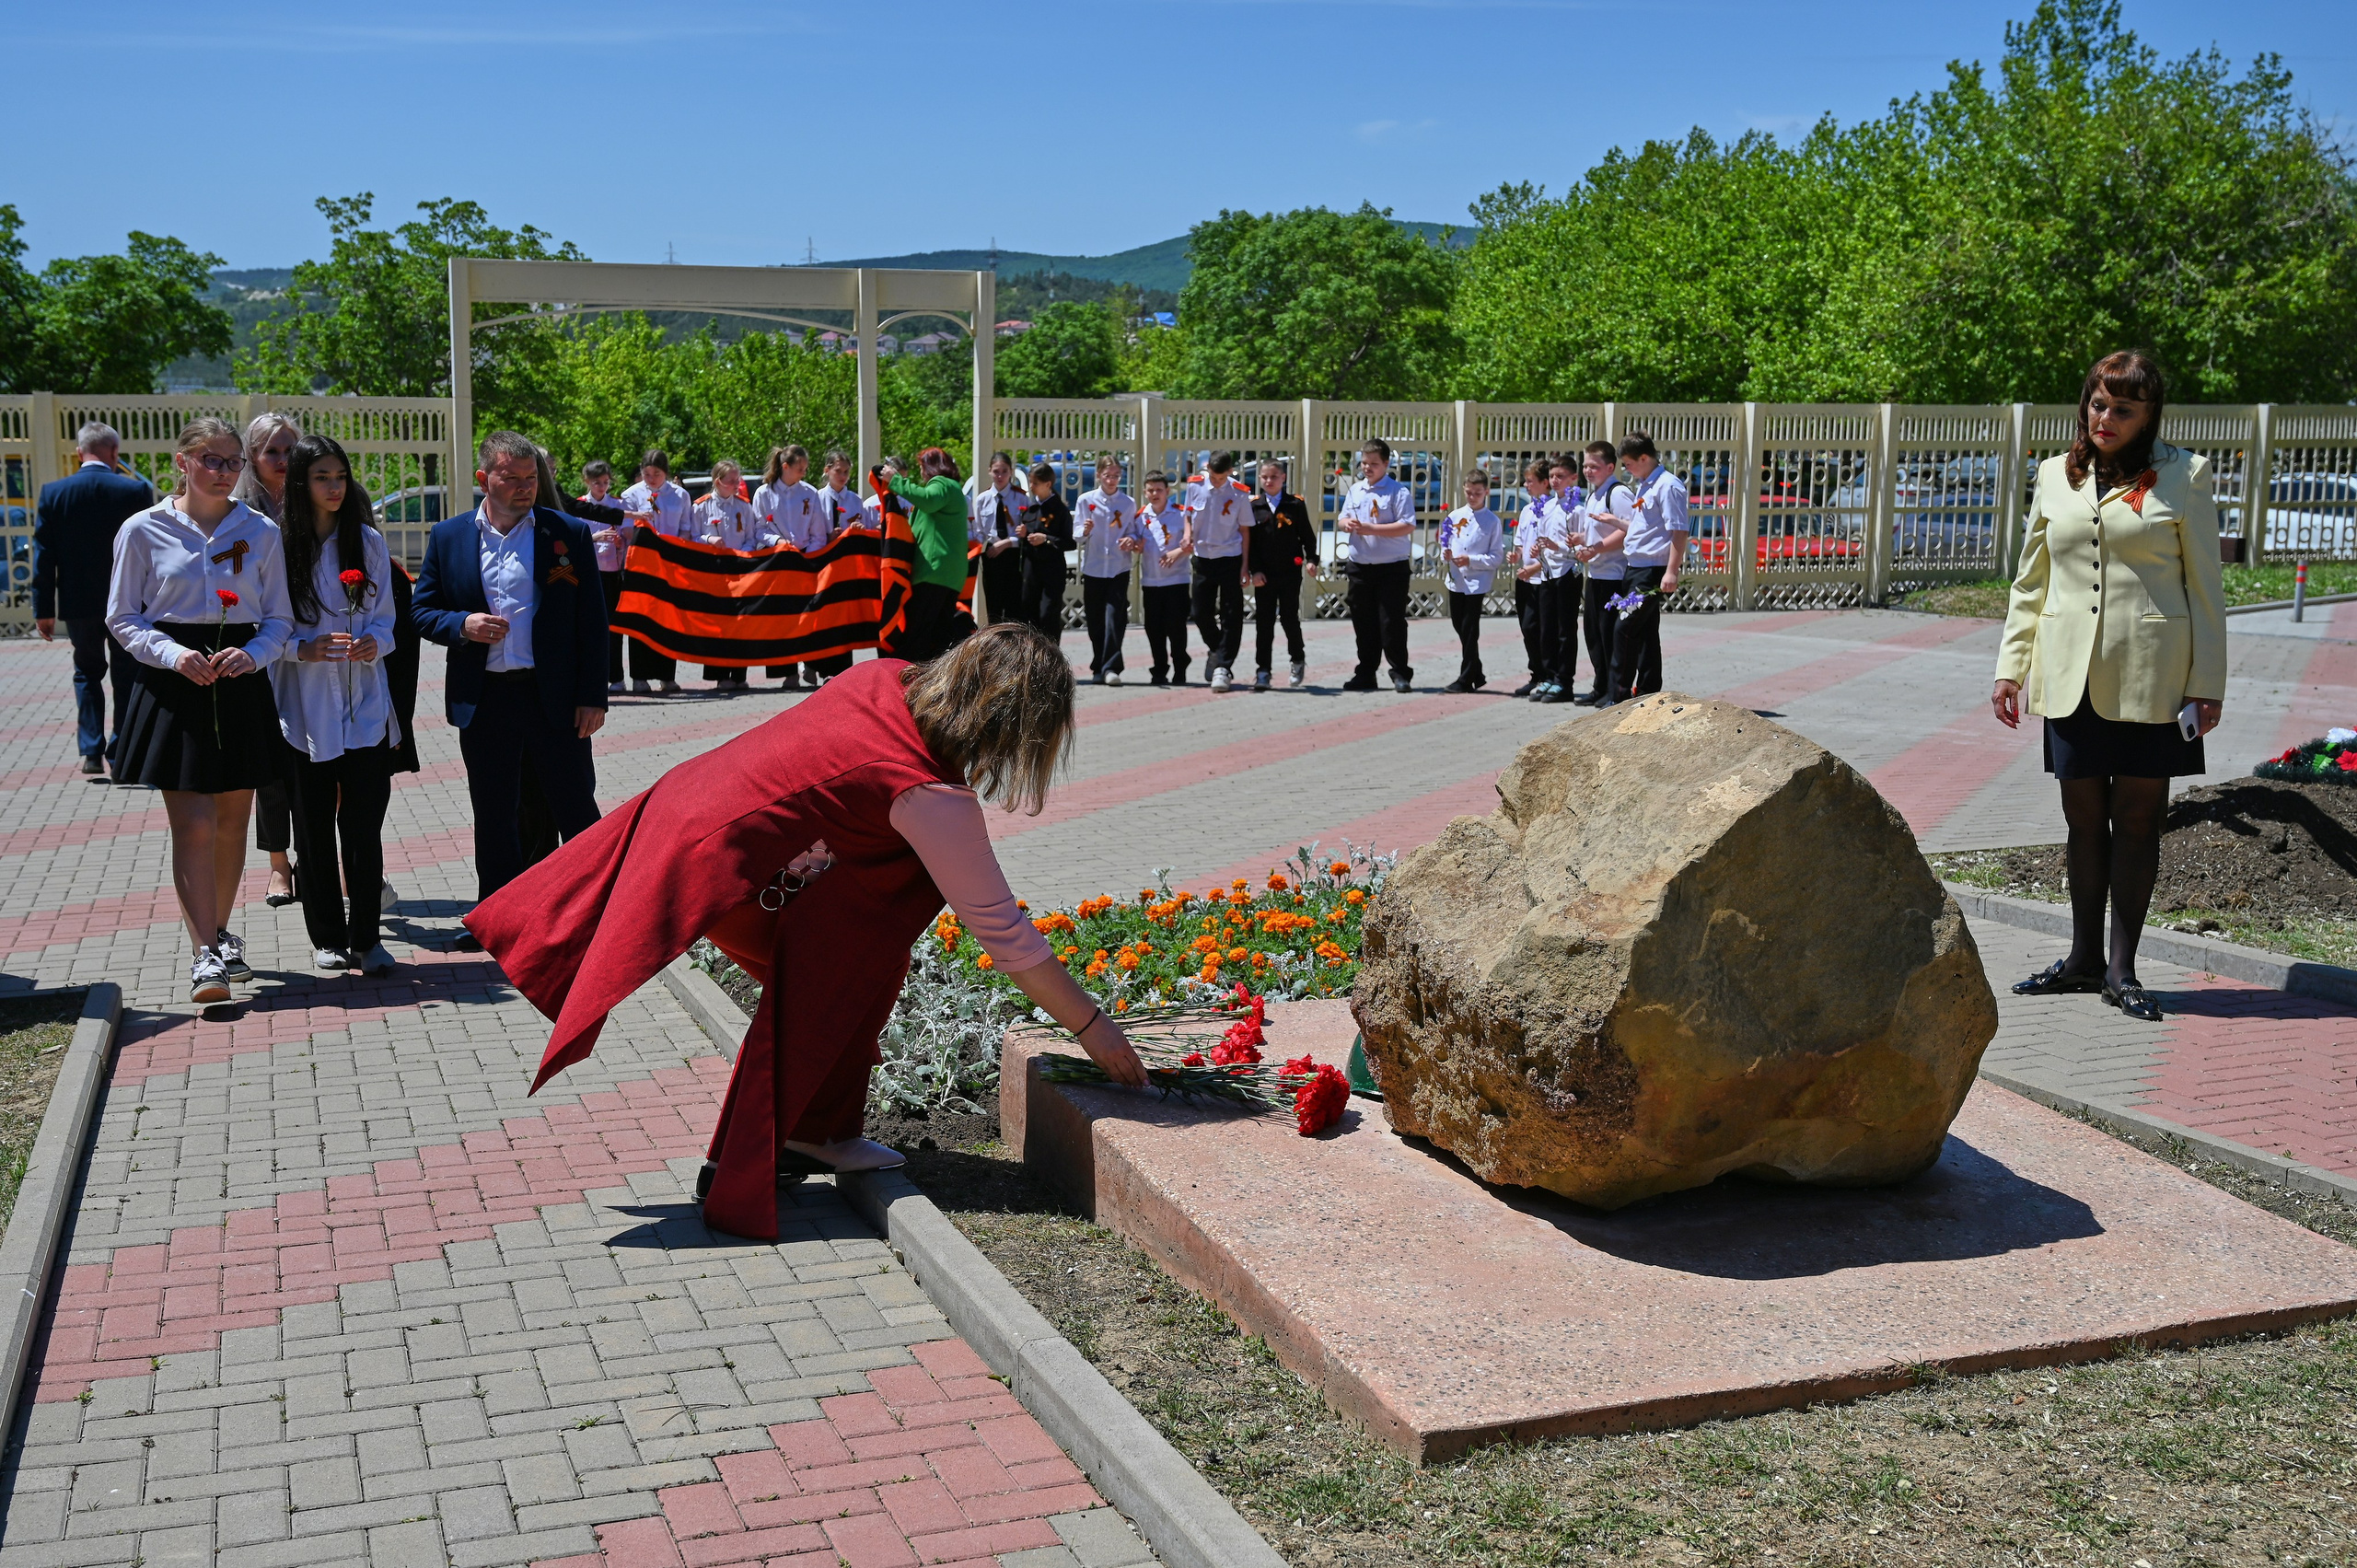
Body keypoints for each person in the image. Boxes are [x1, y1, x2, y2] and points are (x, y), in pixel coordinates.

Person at [466, 624, 1149, 1242]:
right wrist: (1094, 1028)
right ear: (1010, 727)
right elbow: (1006, 936)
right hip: (725, 867)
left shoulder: (888, 678)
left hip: (698, 813)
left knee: (868, 953)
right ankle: (753, 1154)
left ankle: (814, 1134)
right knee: (828, 979)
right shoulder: (929, 795)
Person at [1993, 350, 2226, 1024]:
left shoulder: (2186, 476)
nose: (2106, 417)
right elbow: (2031, 580)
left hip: (2154, 678)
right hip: (2069, 678)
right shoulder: (2053, 477)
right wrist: (2011, 667)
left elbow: (2205, 589)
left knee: (2138, 824)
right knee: (2082, 822)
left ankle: (2121, 970)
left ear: (2149, 415)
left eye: (2124, 408)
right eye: (2099, 403)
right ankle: (2081, 959)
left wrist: (2206, 683)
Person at [105, 418, 295, 1004]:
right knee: (193, 821)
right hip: (175, 684)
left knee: (234, 820)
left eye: (233, 461)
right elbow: (121, 616)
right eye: (211, 460)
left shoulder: (260, 530)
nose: (224, 472)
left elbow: (281, 619)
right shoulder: (142, 529)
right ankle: (204, 955)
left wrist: (256, 652)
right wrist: (170, 654)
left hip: (238, 681)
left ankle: (217, 932)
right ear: (182, 463)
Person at [412, 431, 610, 923]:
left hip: (554, 699)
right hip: (485, 701)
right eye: (512, 478)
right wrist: (462, 625)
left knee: (575, 807)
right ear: (484, 480)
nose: (525, 487)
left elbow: (592, 623)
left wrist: (593, 697)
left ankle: (595, 913)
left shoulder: (567, 534)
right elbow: (421, 610)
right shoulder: (450, 536)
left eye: (530, 477)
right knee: (495, 814)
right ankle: (499, 919)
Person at [272, 436, 401, 977]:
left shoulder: (366, 542)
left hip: (364, 702)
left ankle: (368, 936)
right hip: (305, 709)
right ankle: (327, 935)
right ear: (301, 484)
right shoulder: (276, 547)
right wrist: (300, 648)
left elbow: (388, 619)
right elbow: (266, 630)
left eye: (341, 477)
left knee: (363, 826)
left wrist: (376, 642)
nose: (334, 487)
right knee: (314, 827)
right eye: (323, 477)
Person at [34, 422, 150, 778]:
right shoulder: (135, 491)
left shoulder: (54, 493)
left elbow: (44, 555)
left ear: (78, 453)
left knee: (86, 672)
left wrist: (44, 610)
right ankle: (121, 751)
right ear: (114, 452)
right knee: (127, 675)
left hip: (78, 602)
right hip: (127, 602)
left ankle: (90, 751)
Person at [231, 413, 306, 904]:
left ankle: (335, 861)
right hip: (263, 647)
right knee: (272, 765)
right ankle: (279, 864)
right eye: (271, 452)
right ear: (253, 460)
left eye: (288, 450)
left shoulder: (318, 497)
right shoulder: (240, 514)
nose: (282, 460)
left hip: (319, 644)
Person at [1611, 433, 1689, 704]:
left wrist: (1671, 571)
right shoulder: (1646, 484)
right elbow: (1644, 528)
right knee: (1644, 632)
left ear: (1644, 458)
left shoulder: (1667, 486)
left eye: (1629, 463)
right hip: (1635, 566)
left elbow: (1678, 532)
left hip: (1652, 569)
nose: (1626, 469)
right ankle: (1647, 689)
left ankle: (1618, 694)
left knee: (1624, 628)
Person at [884, 448, 977, 662]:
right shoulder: (953, 489)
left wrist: (895, 481)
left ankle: (905, 679)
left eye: (923, 467)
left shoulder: (942, 484)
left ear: (932, 467)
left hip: (935, 571)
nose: (921, 473)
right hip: (948, 573)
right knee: (941, 632)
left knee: (918, 630)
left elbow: (927, 499)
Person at [1338, 438, 1415, 693]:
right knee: (1363, 622)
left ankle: (1400, 673)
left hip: (1391, 567)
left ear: (1385, 464)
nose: (1367, 468)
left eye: (1373, 464)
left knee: (1390, 623)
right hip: (1360, 566)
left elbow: (1407, 525)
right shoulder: (1355, 490)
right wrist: (1346, 524)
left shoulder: (1397, 492)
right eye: (1364, 463)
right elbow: (1342, 518)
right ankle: (1366, 673)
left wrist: (1372, 529)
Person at [619, 450, 692, 692]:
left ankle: (666, 676)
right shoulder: (630, 495)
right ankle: (640, 676)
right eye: (646, 473)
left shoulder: (680, 495)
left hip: (669, 565)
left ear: (666, 473)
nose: (651, 478)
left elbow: (685, 529)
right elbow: (627, 531)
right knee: (640, 620)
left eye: (656, 474)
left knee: (667, 619)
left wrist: (670, 548)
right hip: (641, 566)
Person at [756, 447, 826, 688]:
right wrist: (777, 542)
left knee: (808, 615)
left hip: (805, 558)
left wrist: (811, 558)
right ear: (785, 467)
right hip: (777, 559)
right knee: (781, 617)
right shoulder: (764, 493)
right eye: (800, 469)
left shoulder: (810, 493)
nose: (804, 473)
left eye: (806, 469)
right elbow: (759, 529)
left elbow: (818, 531)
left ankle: (811, 665)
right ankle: (787, 672)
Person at [1185, 452, 1251, 692]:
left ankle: (1223, 666)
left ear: (1230, 472)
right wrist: (1186, 534)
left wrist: (1245, 566)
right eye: (1212, 476)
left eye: (1220, 478)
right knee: (1199, 611)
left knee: (1231, 614)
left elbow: (1245, 530)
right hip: (1203, 558)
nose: (1215, 481)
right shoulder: (1195, 486)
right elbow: (1188, 516)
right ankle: (1217, 649)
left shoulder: (1239, 492)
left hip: (1230, 558)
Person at [1247, 459, 1315, 691]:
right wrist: (1254, 570)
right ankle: (1263, 671)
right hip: (1264, 575)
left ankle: (1297, 660)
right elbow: (1251, 544)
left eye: (1274, 477)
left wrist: (1312, 560)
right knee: (1264, 624)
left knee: (1289, 619)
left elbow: (1307, 535)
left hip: (1289, 573)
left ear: (1283, 478)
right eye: (1265, 477)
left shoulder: (1294, 504)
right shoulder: (1254, 506)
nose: (1269, 481)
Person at [1572, 442, 1631, 707]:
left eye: (1594, 466)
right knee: (1593, 634)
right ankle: (1600, 685)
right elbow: (1598, 531)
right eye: (1585, 465)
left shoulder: (1618, 494)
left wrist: (1595, 548)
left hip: (1614, 576)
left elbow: (1628, 531)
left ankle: (1615, 690)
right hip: (1595, 575)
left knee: (1610, 636)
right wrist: (1582, 539)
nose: (1587, 470)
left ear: (1610, 467)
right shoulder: (1593, 494)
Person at [1075, 456, 1142, 685]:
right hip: (1094, 567)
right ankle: (1098, 664)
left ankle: (1112, 667)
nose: (1112, 480)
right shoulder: (1086, 500)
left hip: (1118, 567)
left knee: (1115, 617)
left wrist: (1130, 540)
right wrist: (1085, 530)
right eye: (1108, 475)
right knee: (1095, 619)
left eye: (1116, 476)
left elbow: (1133, 531)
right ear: (1099, 476)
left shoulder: (1127, 502)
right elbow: (1077, 536)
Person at [1441, 471, 1504, 693]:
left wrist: (1471, 560)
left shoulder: (1492, 521)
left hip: (1477, 582)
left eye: (1478, 493)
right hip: (1456, 580)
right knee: (1459, 625)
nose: (1473, 496)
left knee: (1470, 629)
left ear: (1486, 492)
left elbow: (1496, 557)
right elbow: (1445, 543)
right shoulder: (1454, 516)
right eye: (1469, 492)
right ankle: (1477, 672)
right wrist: (1446, 555)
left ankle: (1466, 677)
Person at [1530, 457, 1585, 704]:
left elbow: (1580, 546)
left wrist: (1559, 546)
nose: (1555, 480)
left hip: (1566, 572)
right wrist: (1537, 550)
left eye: (1560, 476)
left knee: (1565, 630)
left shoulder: (1576, 509)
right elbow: (1543, 536)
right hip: (1547, 572)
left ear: (1573, 478)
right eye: (1552, 476)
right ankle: (1549, 676)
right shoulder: (1548, 506)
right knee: (1547, 628)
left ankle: (1565, 681)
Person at [579, 460, 633, 692]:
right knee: (590, 627)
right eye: (596, 483)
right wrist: (595, 537)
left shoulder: (618, 505)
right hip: (590, 573)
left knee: (614, 627)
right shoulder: (580, 506)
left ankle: (617, 677)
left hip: (613, 573)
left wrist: (621, 541)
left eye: (606, 482)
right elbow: (574, 540)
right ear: (586, 482)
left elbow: (628, 535)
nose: (602, 487)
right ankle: (591, 677)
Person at [1137, 472, 1193, 687]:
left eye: (1159, 490)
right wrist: (1134, 544)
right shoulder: (1141, 516)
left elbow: (1193, 541)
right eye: (1150, 490)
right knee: (1154, 629)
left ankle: (1180, 668)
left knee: (1176, 627)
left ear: (1167, 491)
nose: (1154, 494)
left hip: (1176, 580)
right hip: (1151, 581)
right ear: (1145, 492)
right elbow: (1134, 538)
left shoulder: (1180, 514)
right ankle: (1159, 669)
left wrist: (1177, 552)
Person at [1015, 462, 1074, 644]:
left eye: (1035, 483)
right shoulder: (1031, 509)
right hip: (1032, 571)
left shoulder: (1060, 510)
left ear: (1048, 484)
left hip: (1052, 572)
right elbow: (1026, 540)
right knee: (1029, 616)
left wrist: (1046, 539)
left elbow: (1069, 542)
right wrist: (1024, 535)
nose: (1031, 487)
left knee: (1048, 615)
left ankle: (1051, 657)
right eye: (1031, 483)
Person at [1506, 460, 1551, 696]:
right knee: (1528, 628)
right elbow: (1521, 542)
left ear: (1545, 483)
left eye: (1531, 481)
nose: (1526, 485)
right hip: (1525, 579)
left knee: (1544, 630)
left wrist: (1534, 568)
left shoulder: (1553, 508)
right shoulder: (1526, 509)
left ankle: (1549, 675)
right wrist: (1515, 555)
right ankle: (1536, 674)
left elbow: (1555, 549)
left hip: (1542, 579)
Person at [970, 452, 1028, 630]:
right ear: (989, 472)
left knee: (1013, 604)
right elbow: (979, 531)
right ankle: (995, 643)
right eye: (996, 471)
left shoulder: (1021, 497)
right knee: (994, 603)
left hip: (1013, 554)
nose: (1000, 476)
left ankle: (1014, 642)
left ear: (1011, 472)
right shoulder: (982, 499)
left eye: (1004, 471)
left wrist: (1008, 542)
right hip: (991, 554)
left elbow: (1026, 532)